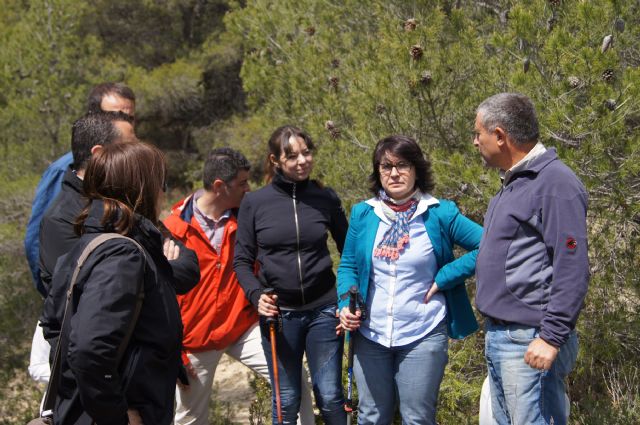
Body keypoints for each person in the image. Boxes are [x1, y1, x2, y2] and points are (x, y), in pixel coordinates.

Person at [337, 135, 483, 425]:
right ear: (377, 172)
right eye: (386, 166)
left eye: (402, 165)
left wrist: (445, 277)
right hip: (371, 334)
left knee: (417, 418)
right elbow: (349, 266)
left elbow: (488, 245)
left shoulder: (440, 213)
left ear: (417, 169)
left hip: (423, 332)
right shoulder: (364, 214)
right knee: (371, 417)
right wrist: (344, 302)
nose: (394, 173)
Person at [164, 147, 315, 425]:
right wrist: (176, 352)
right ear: (220, 186)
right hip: (195, 340)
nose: (249, 188)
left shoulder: (249, 217)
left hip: (242, 326)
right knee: (189, 418)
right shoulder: (173, 229)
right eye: (243, 183)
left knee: (294, 379)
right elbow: (161, 299)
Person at [40, 141, 184, 425]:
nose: (163, 191)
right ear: (139, 188)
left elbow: (54, 325)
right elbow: (88, 349)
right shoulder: (123, 254)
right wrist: (117, 414)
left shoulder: (88, 243)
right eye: (160, 182)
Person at [473, 93, 589, 425]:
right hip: (504, 337)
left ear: (499, 136)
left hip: (530, 340)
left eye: (478, 133)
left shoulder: (554, 183)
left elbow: (573, 268)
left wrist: (551, 337)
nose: (475, 141)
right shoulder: (516, 182)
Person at [234, 125, 349, 425]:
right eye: (292, 156)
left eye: (306, 153)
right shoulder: (254, 203)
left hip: (324, 309)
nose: (302, 161)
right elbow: (242, 262)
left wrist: (350, 296)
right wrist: (256, 295)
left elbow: (348, 250)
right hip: (280, 316)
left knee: (330, 396)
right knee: (285, 399)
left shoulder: (325, 197)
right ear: (275, 161)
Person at [25, 82, 136, 297]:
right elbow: (36, 238)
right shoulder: (65, 169)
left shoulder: (134, 168)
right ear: (94, 117)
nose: (124, 121)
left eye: (130, 116)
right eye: (115, 114)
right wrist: (52, 297)